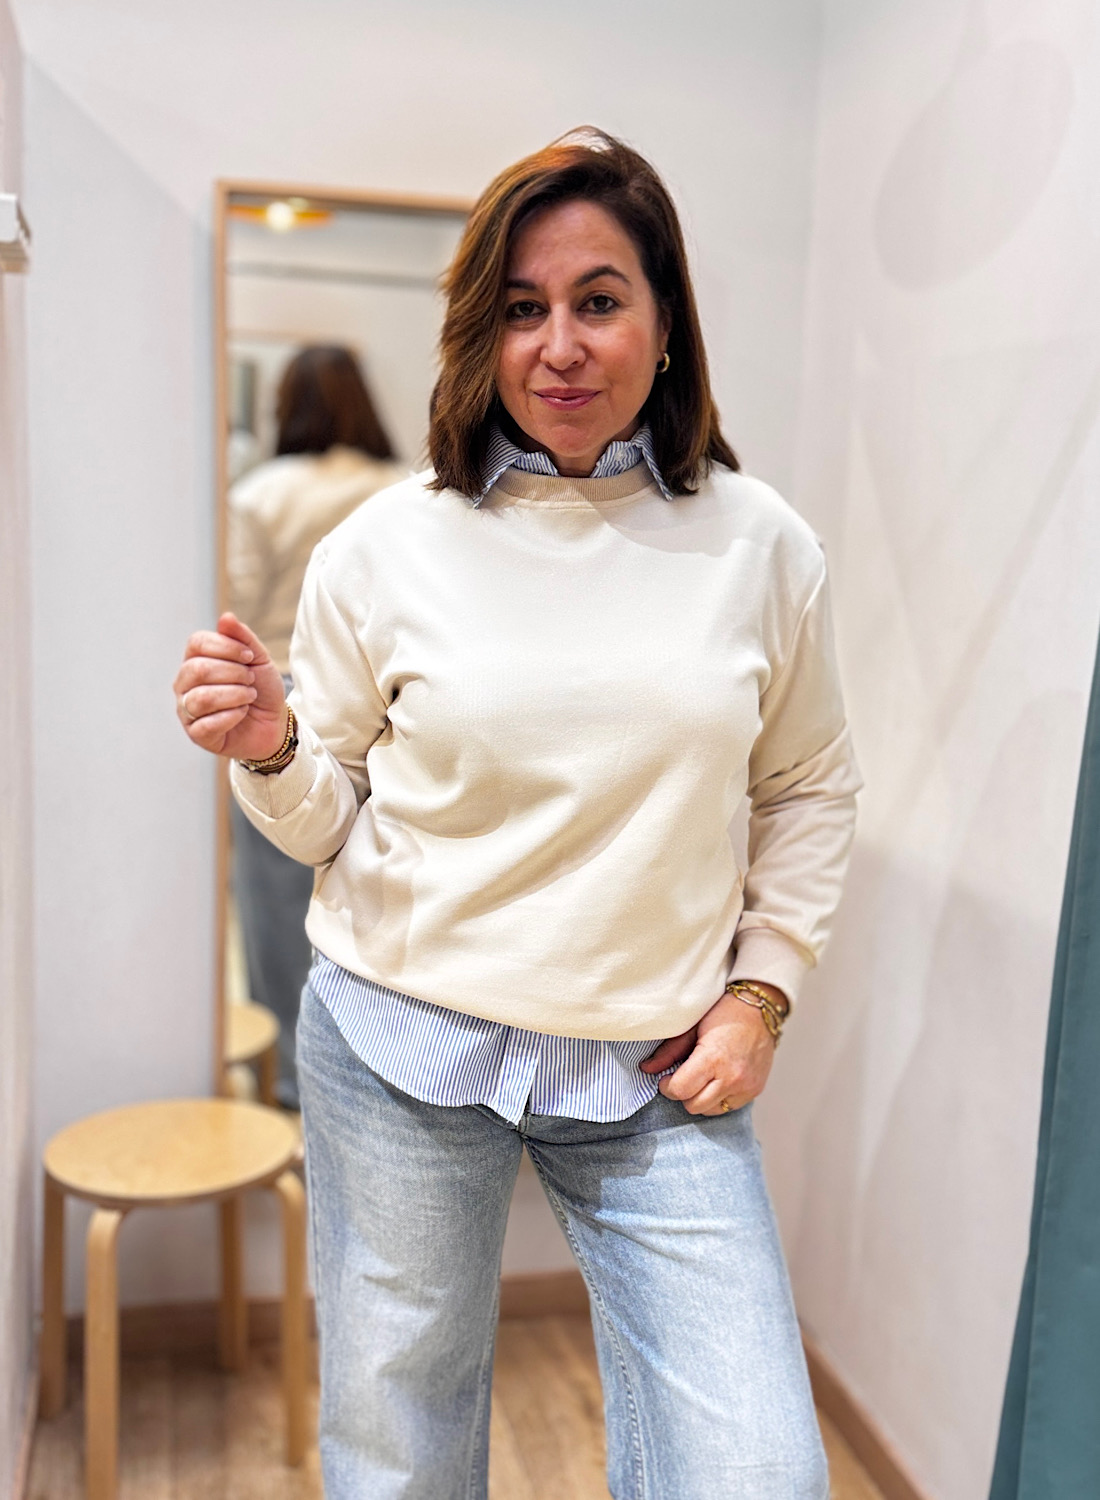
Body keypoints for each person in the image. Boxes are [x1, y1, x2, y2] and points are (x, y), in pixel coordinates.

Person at [175, 128, 861, 1498]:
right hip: (402, 1039)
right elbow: (328, 819)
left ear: (664, 323)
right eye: (520, 308)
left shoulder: (761, 544)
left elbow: (806, 785)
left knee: (759, 1469)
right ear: (478, 335)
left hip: (657, 1064)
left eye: (598, 300)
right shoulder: (382, 544)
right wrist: (272, 748)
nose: (559, 346)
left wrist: (761, 992)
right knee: (401, 1453)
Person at [226, 345, 402, 1107]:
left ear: (284, 405)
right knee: (375, 889)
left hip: (280, 700)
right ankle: (374, 1065)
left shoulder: (262, 493)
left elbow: (231, 601)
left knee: (273, 905)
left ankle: (292, 1079)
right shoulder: (401, 491)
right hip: (385, 703)